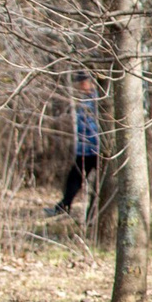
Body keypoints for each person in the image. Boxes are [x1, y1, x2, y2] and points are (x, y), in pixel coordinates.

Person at [50, 73, 102, 216]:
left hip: (95, 149)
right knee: (74, 179)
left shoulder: (97, 100)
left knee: (98, 183)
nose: (79, 86)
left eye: (82, 83)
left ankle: (93, 213)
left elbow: (93, 126)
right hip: (84, 149)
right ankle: (64, 207)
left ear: (90, 82)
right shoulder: (85, 100)